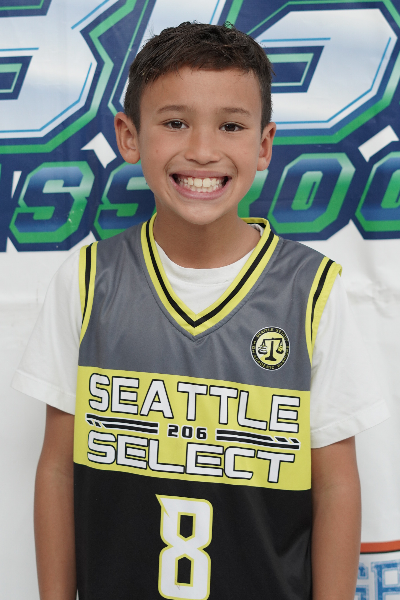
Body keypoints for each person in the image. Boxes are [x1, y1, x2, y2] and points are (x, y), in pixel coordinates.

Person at [12, 22, 388, 600]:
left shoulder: (312, 290)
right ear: (129, 136)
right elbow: (58, 468)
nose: (203, 150)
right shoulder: (87, 281)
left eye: (231, 126)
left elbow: (336, 485)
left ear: (263, 145)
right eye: (175, 123)